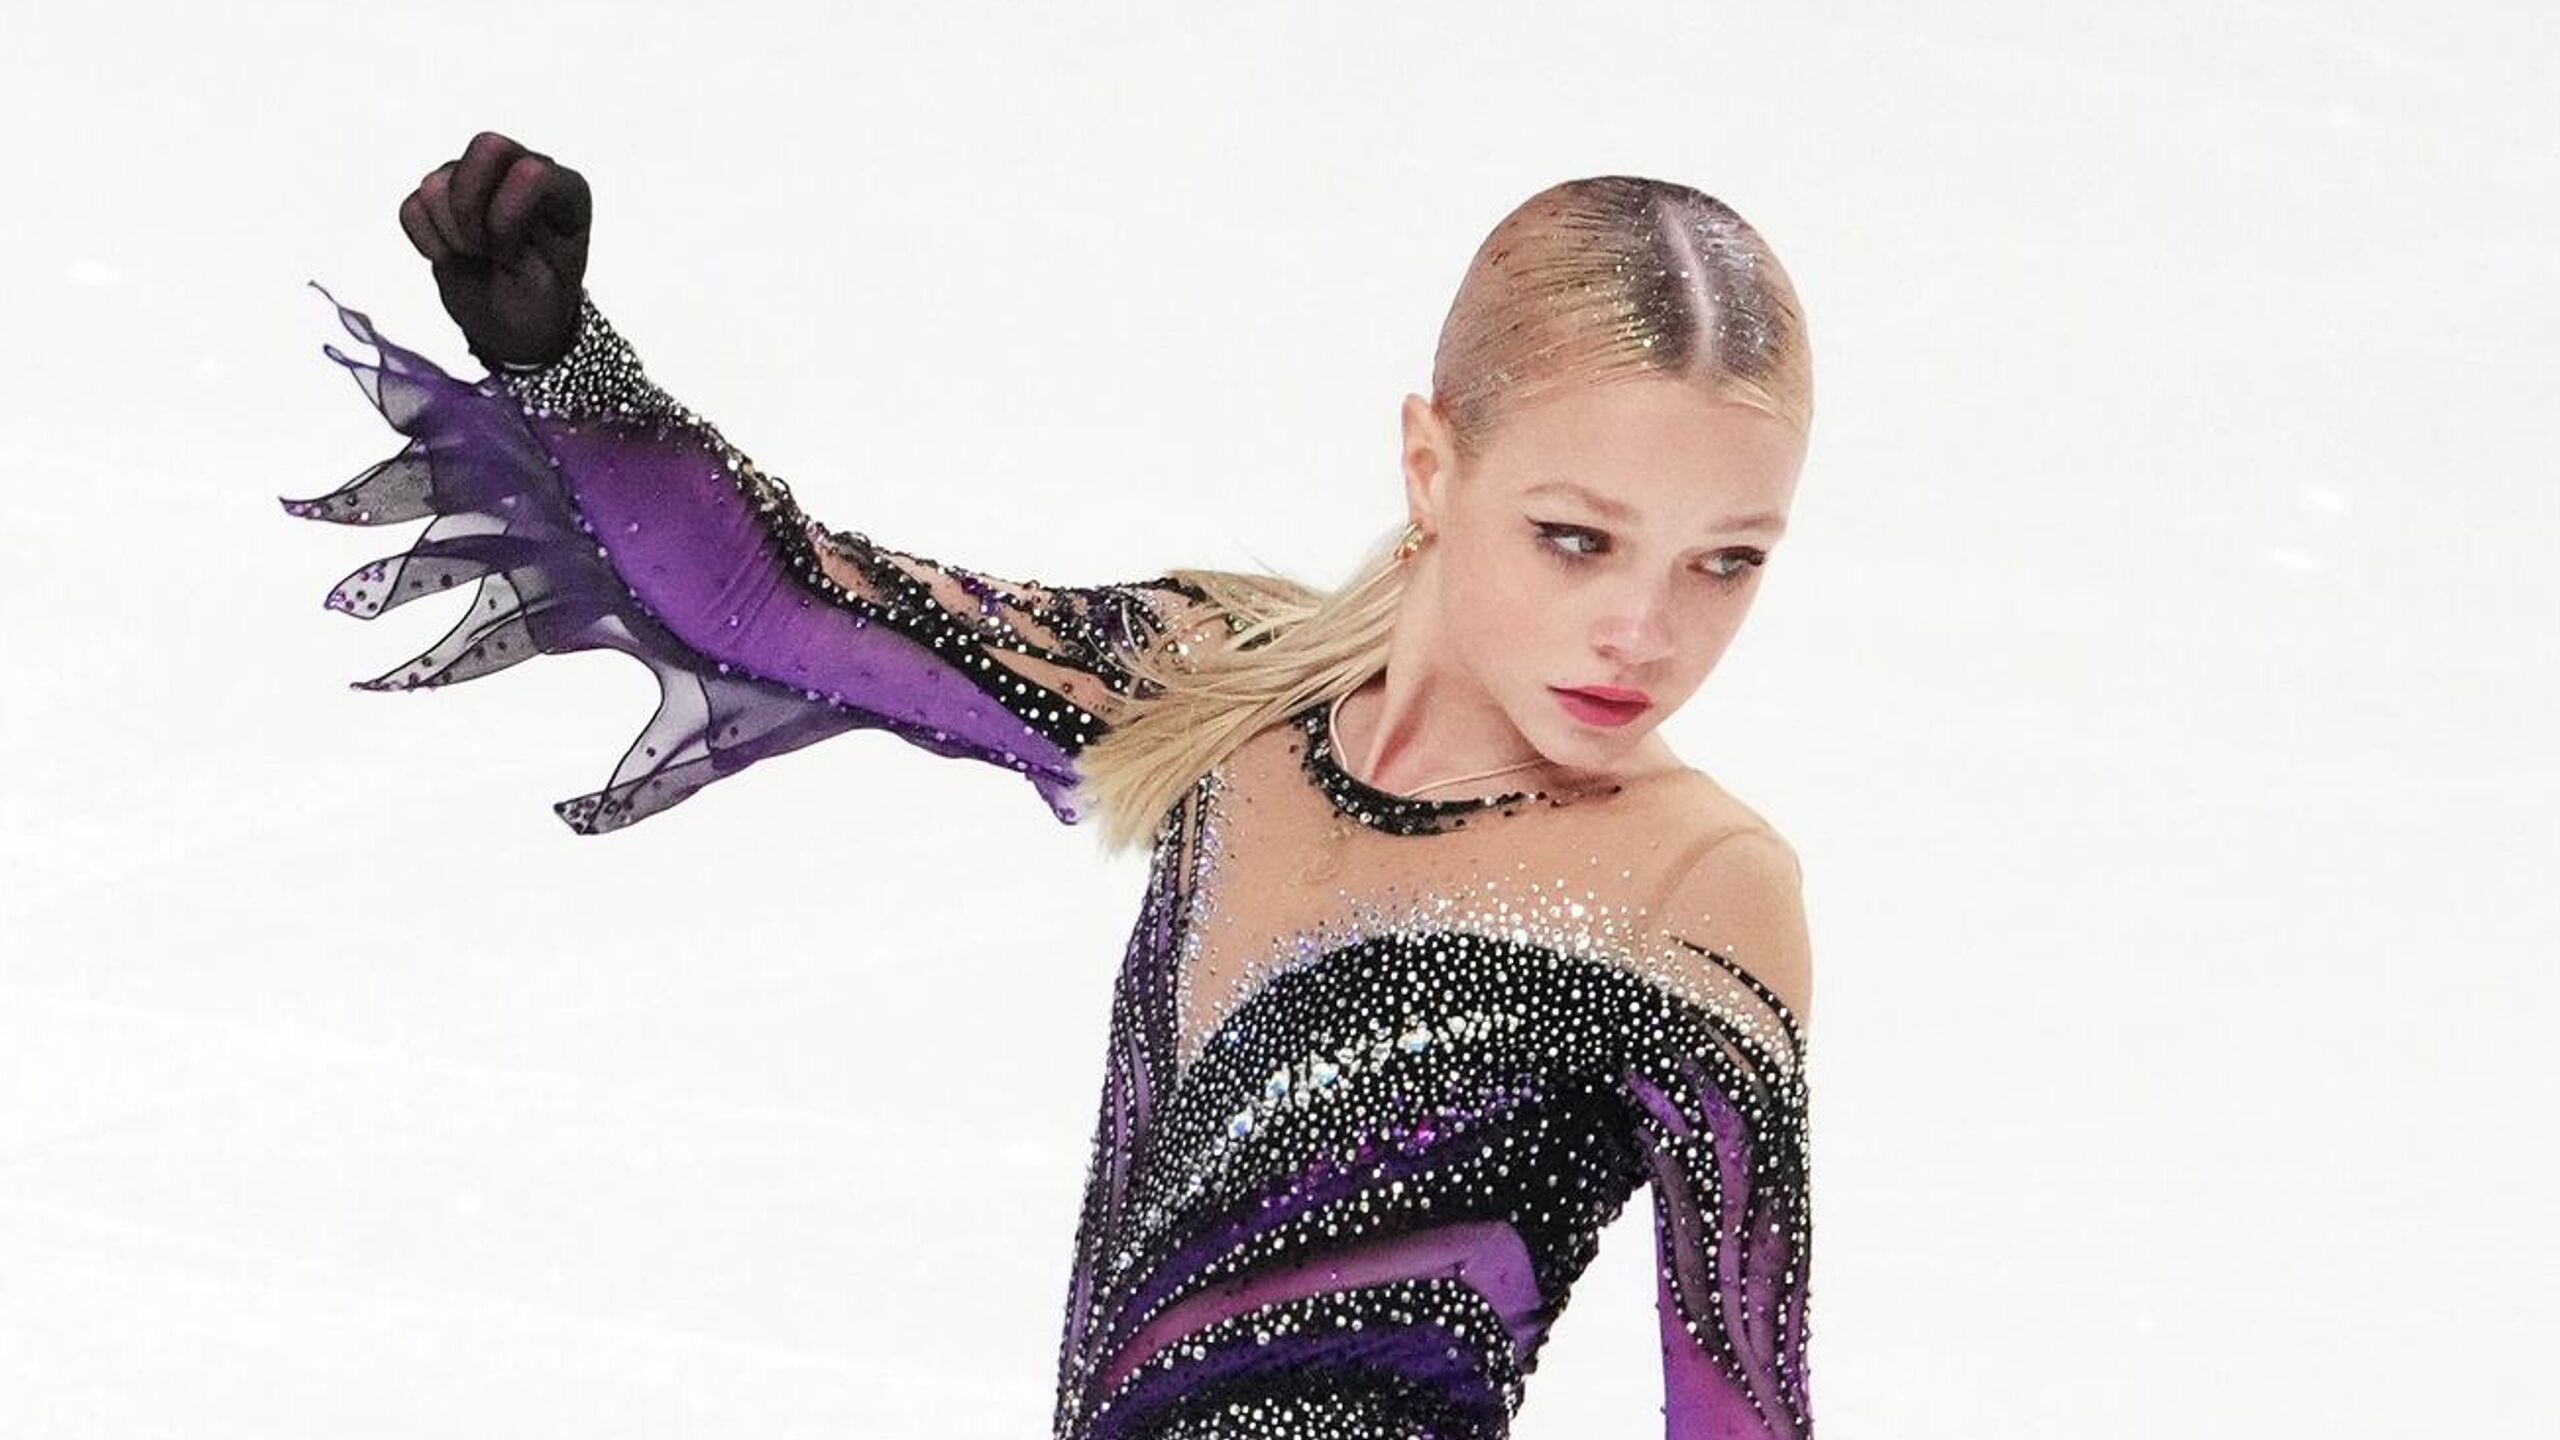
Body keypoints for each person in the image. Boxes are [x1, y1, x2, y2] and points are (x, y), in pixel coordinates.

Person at [283, 130, 1818, 1439]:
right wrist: (561, 360)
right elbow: (769, 602)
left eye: (1726, 563)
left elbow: (1740, 1405)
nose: (1645, 633)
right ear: (1432, 466)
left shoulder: (1695, 892)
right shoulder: (1216, 687)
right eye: (1577, 538)